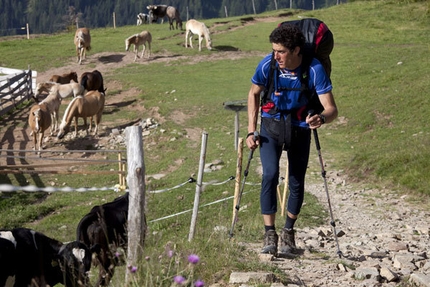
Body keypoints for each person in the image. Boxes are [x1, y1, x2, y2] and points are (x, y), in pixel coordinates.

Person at [246, 23, 338, 255]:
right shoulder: (268, 64)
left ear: (297, 50)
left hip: (300, 128)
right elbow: (253, 93)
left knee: (296, 182)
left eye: (281, 51)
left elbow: (331, 109)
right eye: (274, 50)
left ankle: (288, 232)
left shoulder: (314, 68)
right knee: (269, 175)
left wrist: (321, 119)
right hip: (271, 126)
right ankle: (269, 234)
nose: (275, 56)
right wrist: (250, 130)